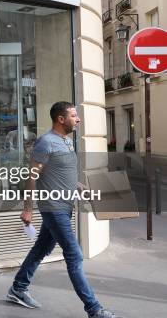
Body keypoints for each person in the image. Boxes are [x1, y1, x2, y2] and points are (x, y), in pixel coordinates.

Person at [6, 102, 120, 318]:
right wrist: (28, 209)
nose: (78, 119)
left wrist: (82, 188)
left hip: (65, 206)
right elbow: (32, 176)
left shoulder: (66, 142)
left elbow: (62, 176)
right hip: (53, 208)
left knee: (41, 249)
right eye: (73, 115)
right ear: (61, 119)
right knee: (74, 255)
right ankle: (94, 310)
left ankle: (18, 288)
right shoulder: (46, 143)